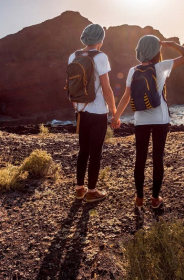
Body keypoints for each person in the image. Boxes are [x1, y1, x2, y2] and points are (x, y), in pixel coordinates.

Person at [111, 35, 184, 208]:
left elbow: (126, 97)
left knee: (140, 158)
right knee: (158, 158)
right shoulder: (160, 66)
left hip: (140, 119)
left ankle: (139, 198)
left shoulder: (133, 70)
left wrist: (116, 116)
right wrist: (171, 44)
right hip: (160, 119)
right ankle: (155, 199)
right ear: (156, 50)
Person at [68, 24, 119, 202]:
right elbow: (107, 89)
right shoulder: (101, 57)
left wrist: (76, 105)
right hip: (97, 111)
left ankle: (79, 188)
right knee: (95, 151)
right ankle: (92, 191)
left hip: (80, 110)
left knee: (83, 150)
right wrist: (114, 112)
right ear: (100, 40)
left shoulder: (73, 56)